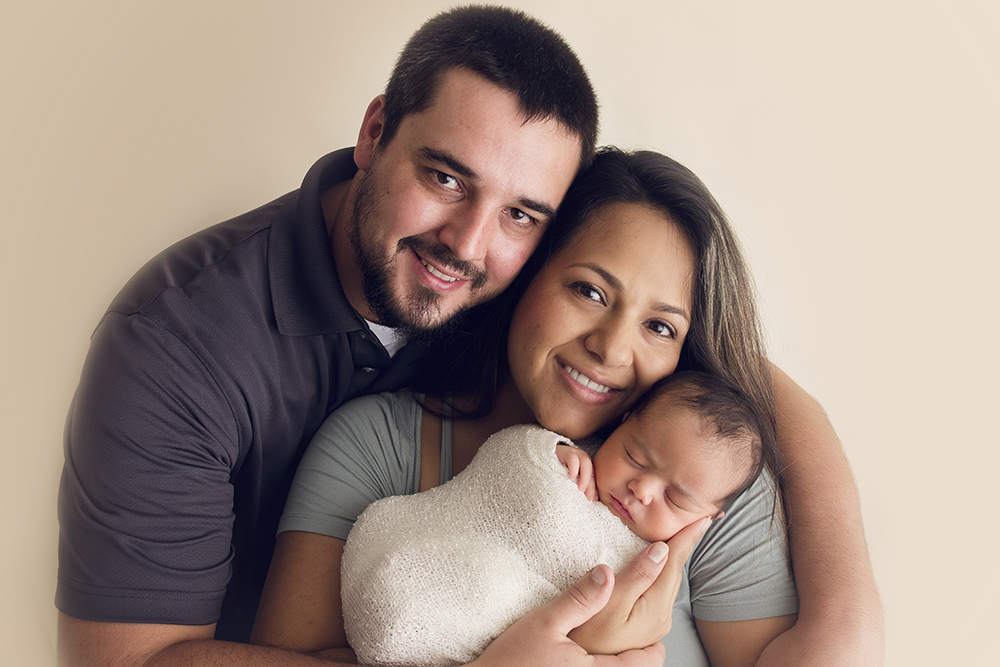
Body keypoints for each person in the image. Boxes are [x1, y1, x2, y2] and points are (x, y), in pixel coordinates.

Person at [56, 6, 640, 667]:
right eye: (445, 178)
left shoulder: (520, 291)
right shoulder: (172, 346)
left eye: (519, 214)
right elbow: (125, 659)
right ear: (374, 132)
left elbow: (690, 344)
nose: (467, 244)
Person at [251, 148, 800, 666]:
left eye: (659, 327)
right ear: (525, 270)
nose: (610, 349)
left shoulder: (703, 480)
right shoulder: (374, 447)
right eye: (589, 292)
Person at [339, 371, 784, 667]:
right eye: (634, 455)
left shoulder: (655, 572)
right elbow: (510, 464)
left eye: (675, 498)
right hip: (411, 566)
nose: (642, 490)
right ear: (622, 424)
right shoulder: (568, 464)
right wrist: (549, 453)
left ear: (710, 517)